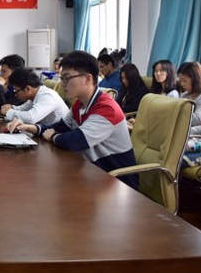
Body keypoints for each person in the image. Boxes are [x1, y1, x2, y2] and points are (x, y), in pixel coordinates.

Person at [8, 51, 138, 189]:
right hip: (91, 172)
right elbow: (60, 126)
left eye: (67, 78)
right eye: (61, 78)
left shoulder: (107, 108)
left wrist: (53, 136)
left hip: (117, 183)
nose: (62, 84)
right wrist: (28, 127)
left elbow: (76, 141)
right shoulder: (80, 104)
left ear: (87, 79)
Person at [2, 67, 68, 124]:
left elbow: (31, 118)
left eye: (16, 90)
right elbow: (22, 109)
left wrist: (8, 112)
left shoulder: (47, 96)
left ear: (28, 88)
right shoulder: (34, 96)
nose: (16, 94)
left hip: (59, 133)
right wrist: (11, 108)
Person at [178, 61, 201, 127]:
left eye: (184, 80)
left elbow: (197, 120)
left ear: (195, 79)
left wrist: (177, 112)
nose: (182, 84)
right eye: (180, 81)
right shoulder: (184, 95)